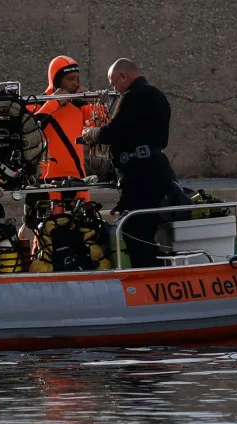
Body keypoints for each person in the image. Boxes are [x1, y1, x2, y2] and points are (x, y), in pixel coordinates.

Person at [79, 58, 185, 268]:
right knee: (146, 230)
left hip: (141, 178)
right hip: (158, 173)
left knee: (135, 233)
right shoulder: (157, 96)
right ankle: (158, 274)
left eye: (113, 84)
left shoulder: (132, 97)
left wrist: (90, 133)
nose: (114, 90)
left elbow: (114, 132)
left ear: (123, 76)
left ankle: (149, 279)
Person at [34, 55, 102, 191]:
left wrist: (93, 102)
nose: (76, 84)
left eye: (77, 79)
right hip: (43, 182)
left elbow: (103, 128)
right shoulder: (36, 104)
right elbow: (32, 129)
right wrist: (54, 102)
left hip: (78, 180)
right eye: (70, 79)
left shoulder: (79, 106)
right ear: (57, 81)